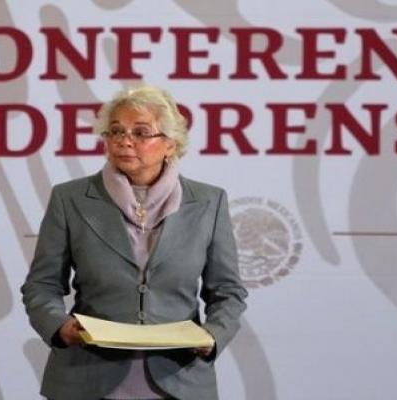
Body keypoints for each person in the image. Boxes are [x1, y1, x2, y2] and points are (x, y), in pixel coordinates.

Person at [20, 85, 248, 400]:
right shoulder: (69, 198)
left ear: (170, 144)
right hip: (86, 378)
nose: (125, 141)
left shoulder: (209, 202)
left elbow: (228, 292)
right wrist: (59, 326)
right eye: (115, 131)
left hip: (180, 379)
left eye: (141, 132)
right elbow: (41, 285)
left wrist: (213, 334)